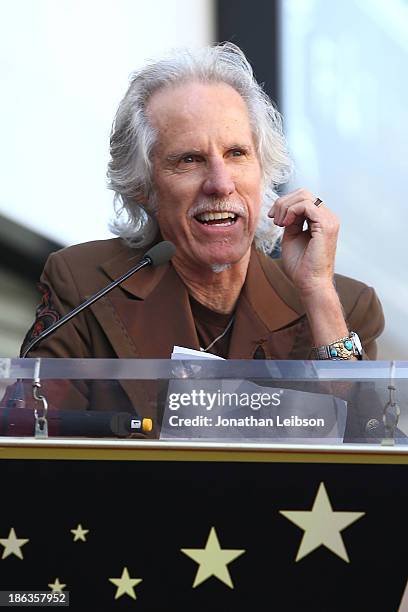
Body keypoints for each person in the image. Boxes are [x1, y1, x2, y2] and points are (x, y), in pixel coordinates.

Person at [17, 43, 385, 435]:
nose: (220, 183)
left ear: (263, 171)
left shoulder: (343, 306)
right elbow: (27, 435)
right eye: (189, 159)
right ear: (144, 185)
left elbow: (371, 452)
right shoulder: (85, 284)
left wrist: (317, 291)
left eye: (237, 153)